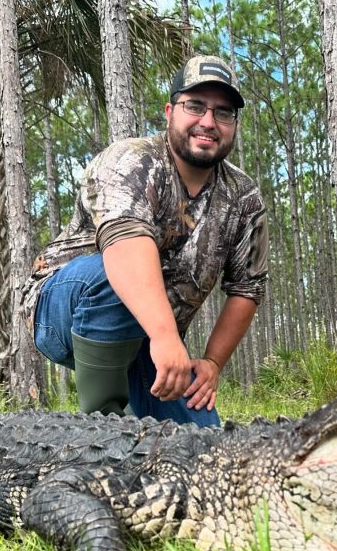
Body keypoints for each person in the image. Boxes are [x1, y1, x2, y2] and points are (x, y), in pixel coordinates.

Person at [22, 54, 268, 426]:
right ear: (170, 111)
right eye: (195, 106)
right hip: (61, 310)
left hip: (149, 337)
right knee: (112, 277)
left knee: (204, 445)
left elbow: (247, 287)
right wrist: (166, 336)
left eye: (223, 112)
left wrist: (213, 362)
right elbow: (125, 247)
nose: (208, 122)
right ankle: (102, 428)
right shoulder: (130, 161)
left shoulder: (244, 197)